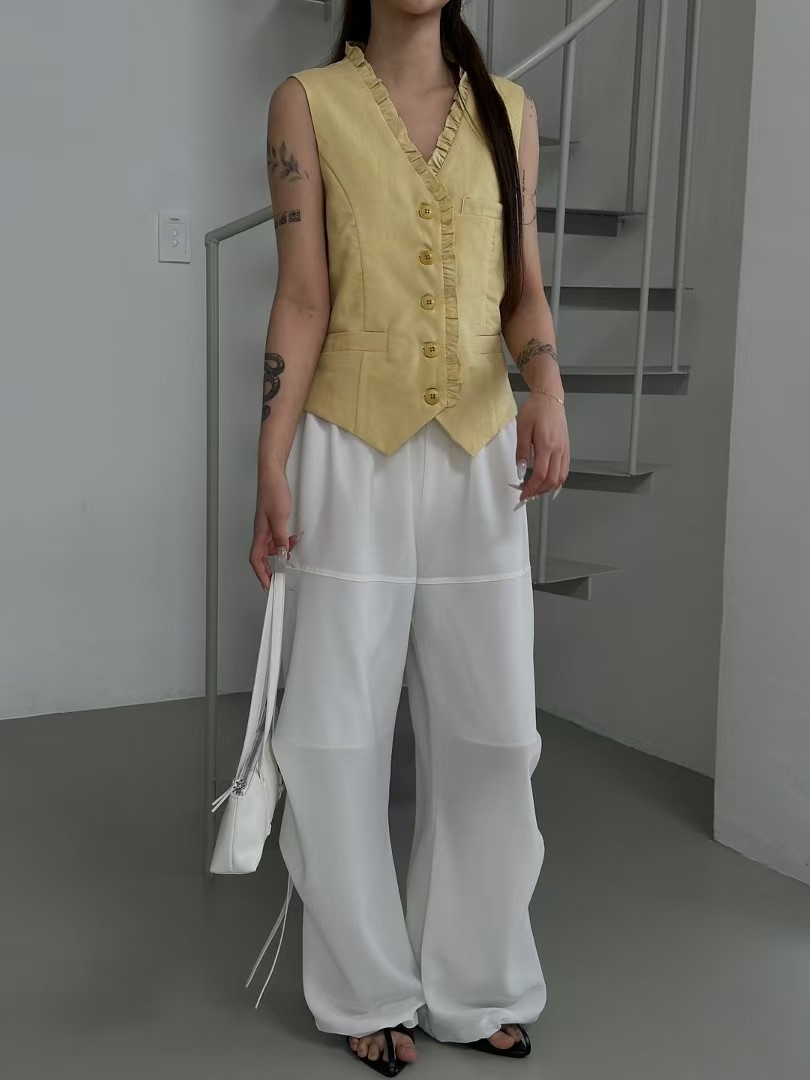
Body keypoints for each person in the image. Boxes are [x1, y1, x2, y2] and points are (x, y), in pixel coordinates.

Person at [248, 1, 569, 1073]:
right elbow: (303, 298)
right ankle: (363, 988)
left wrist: (547, 388)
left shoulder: (510, 111)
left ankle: (476, 983)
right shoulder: (307, 104)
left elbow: (522, 288)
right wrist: (270, 460)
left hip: (478, 454)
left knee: (496, 735)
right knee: (338, 733)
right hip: (349, 449)